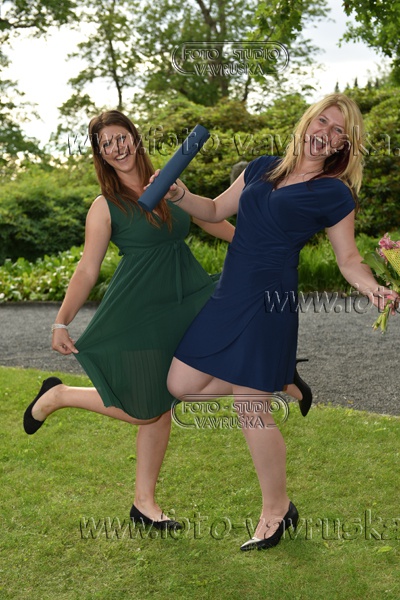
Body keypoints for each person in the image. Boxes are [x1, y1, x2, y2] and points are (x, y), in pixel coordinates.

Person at [158, 93, 398, 550]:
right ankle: (279, 375)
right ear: (308, 122)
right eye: (322, 121)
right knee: (181, 384)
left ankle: (276, 510)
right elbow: (214, 210)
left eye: (339, 131)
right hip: (230, 293)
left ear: (343, 145)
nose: (326, 133)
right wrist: (181, 195)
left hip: (271, 300)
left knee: (250, 406)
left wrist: (373, 288)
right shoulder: (261, 167)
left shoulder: (335, 193)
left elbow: (348, 259)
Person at [23, 110, 235, 530]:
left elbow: (212, 219)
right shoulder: (105, 206)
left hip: (185, 301)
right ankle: (60, 395)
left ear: (134, 139)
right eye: (106, 144)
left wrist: (264, 242)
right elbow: (87, 269)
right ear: (100, 155)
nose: (116, 148)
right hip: (140, 313)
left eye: (120, 138)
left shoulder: (168, 184)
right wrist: (61, 321)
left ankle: (144, 504)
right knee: (147, 410)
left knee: (170, 399)